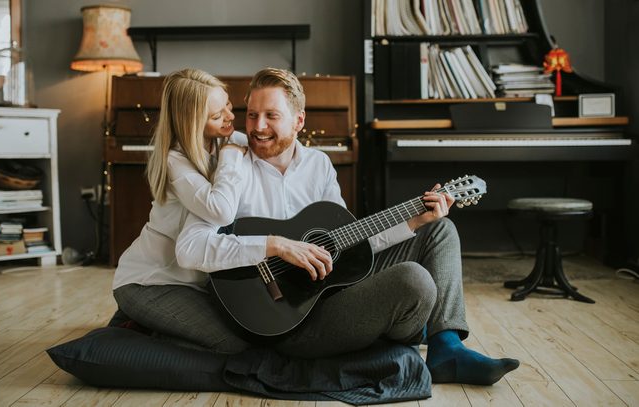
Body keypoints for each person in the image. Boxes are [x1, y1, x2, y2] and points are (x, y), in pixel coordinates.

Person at [174, 67, 520, 386]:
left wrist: (416, 220)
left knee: (439, 231)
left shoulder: (318, 165)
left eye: (271, 116)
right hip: (289, 319)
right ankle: (398, 328)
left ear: (298, 121)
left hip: (332, 290)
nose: (257, 126)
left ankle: (447, 348)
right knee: (414, 280)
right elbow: (190, 247)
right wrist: (276, 245)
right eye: (251, 115)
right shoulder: (232, 168)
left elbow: (347, 246)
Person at [112, 68, 248, 330]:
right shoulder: (176, 161)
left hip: (194, 279)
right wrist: (231, 156)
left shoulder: (221, 139)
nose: (231, 117)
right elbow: (221, 211)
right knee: (225, 341)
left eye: (228, 105)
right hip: (154, 279)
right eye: (218, 116)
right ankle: (133, 326)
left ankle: (138, 323)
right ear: (193, 123)